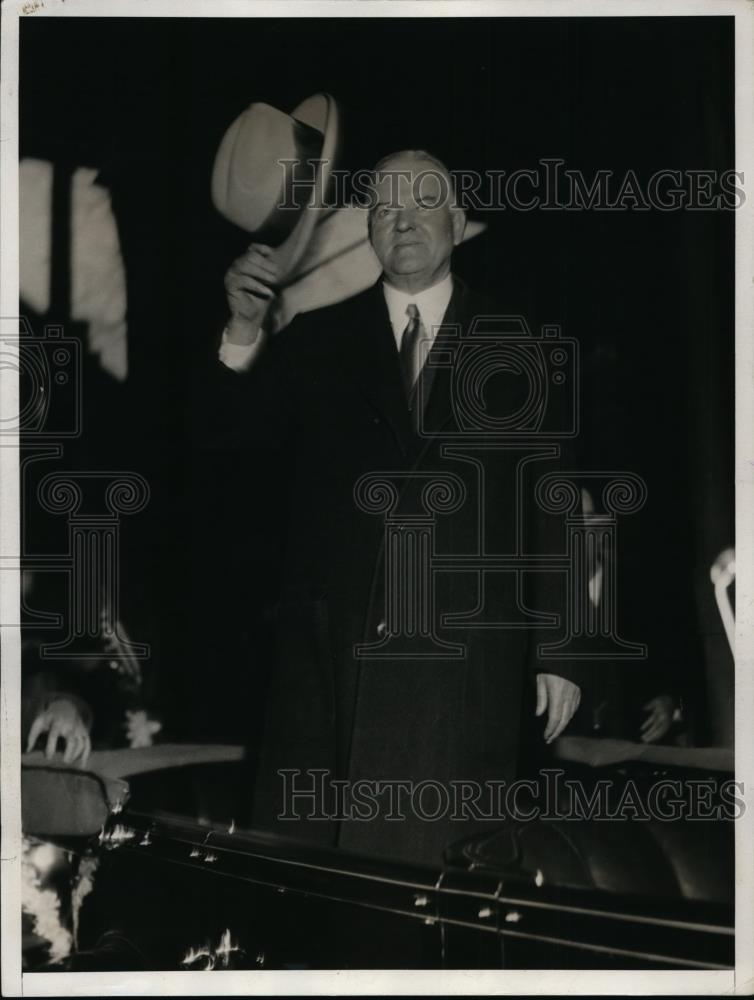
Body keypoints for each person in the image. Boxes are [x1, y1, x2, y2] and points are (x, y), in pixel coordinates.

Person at [209, 150, 588, 863]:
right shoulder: (314, 340)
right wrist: (242, 334)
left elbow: (557, 504)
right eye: (383, 208)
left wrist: (563, 650)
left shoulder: (522, 343)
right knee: (325, 901)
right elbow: (232, 460)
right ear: (369, 232)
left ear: (456, 218)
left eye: (421, 201)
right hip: (331, 669)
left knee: (441, 895)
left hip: (465, 667)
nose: (402, 219)